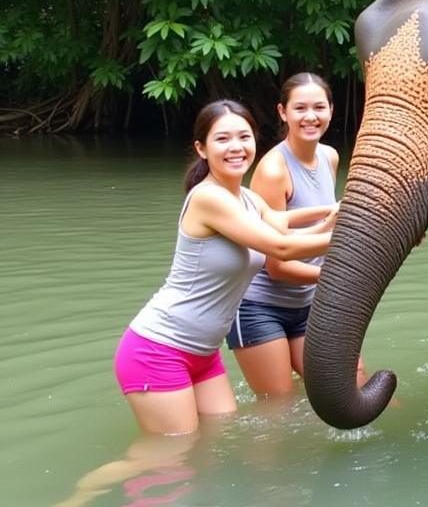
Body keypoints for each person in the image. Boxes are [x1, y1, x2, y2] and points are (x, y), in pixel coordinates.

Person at [113, 100, 339, 436]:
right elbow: (282, 247)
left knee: (216, 442)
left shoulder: (246, 199)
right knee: (167, 455)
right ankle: (86, 492)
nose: (236, 147)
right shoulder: (209, 198)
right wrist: (362, 234)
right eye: (222, 139)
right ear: (201, 149)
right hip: (158, 348)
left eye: (244, 137)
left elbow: (284, 224)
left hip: (204, 353)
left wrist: (342, 211)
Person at [226, 73, 367, 396]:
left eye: (319, 107)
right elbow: (276, 265)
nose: (310, 116)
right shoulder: (274, 170)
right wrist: (337, 278)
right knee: (280, 408)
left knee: (351, 384)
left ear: (331, 110)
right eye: (300, 108)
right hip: (260, 306)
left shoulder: (329, 157)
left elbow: (319, 227)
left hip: (309, 302)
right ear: (282, 112)